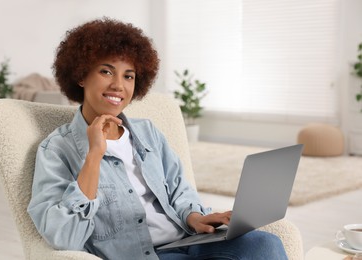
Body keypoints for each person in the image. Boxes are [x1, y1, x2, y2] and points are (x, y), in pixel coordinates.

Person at [27, 17, 288, 260]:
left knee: (266, 244)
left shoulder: (147, 132)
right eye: (106, 72)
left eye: (128, 76)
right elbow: (65, 237)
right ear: (81, 75)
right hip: (143, 254)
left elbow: (179, 189)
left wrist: (195, 217)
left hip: (188, 240)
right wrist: (94, 155)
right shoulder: (57, 150)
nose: (119, 85)